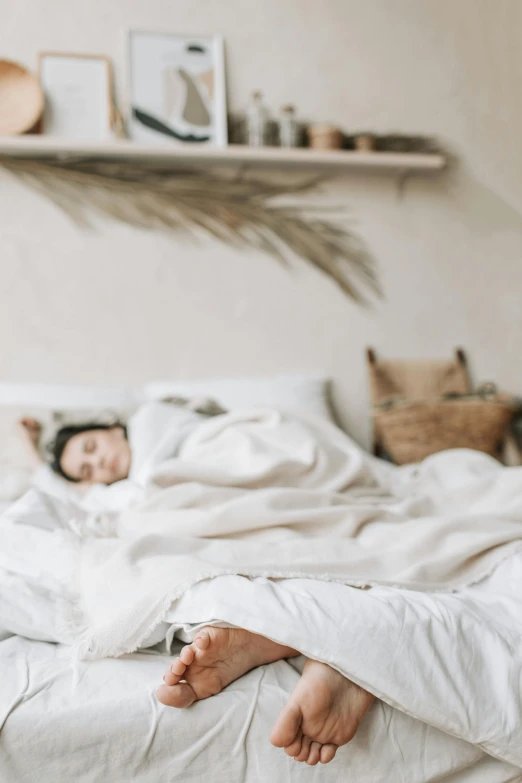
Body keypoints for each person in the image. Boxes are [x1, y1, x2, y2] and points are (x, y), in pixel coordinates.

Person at [17, 397, 226, 487]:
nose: (97, 462)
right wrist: (28, 445)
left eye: (92, 447)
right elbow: (62, 497)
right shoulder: (127, 494)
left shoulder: (149, 417)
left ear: (114, 429)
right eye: (87, 471)